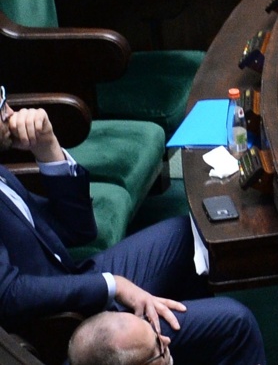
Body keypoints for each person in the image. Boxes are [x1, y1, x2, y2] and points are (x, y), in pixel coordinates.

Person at [0, 100, 264, 365]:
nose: (11, 112)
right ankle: (155, 344)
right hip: (56, 318)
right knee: (235, 323)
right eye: (0, 106)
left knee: (185, 235)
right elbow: (8, 294)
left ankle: (168, 349)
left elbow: (77, 229)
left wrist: (48, 150)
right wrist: (112, 285)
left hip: (68, 278)